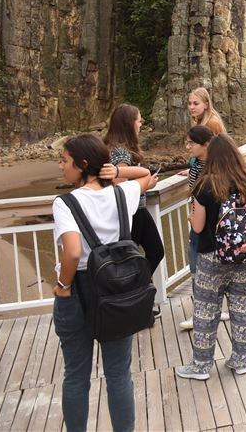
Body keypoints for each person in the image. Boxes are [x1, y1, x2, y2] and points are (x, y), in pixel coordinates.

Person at [51, 134, 159, 432]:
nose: (60, 166)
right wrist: (118, 171)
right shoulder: (121, 194)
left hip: (78, 288)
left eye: (64, 160)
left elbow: (73, 252)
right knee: (119, 374)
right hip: (118, 287)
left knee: (76, 375)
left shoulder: (65, 203)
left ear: (82, 164)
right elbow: (147, 175)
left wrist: (62, 286)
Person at [177, 134, 246, 381]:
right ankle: (240, 361)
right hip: (244, 257)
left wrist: (191, 215)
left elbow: (198, 227)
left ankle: (201, 366)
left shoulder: (205, 186)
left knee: (206, 312)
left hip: (212, 258)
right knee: (242, 311)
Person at [101, 104, 164, 276]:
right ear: (129, 124)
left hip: (136, 210)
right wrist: (147, 185)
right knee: (151, 253)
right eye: (139, 121)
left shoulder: (111, 148)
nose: (141, 125)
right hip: (132, 212)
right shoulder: (121, 153)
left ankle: (139, 284)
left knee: (149, 252)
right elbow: (121, 190)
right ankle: (138, 284)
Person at [178, 125, 215, 331]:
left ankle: (200, 314)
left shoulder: (214, 167)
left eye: (192, 143)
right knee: (200, 268)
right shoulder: (196, 164)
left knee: (198, 266)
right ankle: (206, 310)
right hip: (199, 220)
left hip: (205, 224)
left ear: (206, 144)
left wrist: (193, 215)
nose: (188, 146)